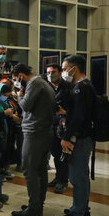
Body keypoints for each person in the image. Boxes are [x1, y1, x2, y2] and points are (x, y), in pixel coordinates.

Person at [54, 55, 96, 216]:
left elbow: (78, 117)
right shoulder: (87, 85)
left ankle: (77, 214)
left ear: (74, 69)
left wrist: (66, 137)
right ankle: (82, 208)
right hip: (86, 136)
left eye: (64, 69)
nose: (64, 72)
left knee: (77, 176)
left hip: (79, 138)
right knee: (82, 176)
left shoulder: (80, 88)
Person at [10, 63, 56, 216]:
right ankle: (37, 203)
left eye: (16, 79)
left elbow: (26, 106)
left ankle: (34, 208)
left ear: (21, 76)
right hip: (44, 131)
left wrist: (19, 95)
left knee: (29, 170)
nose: (16, 82)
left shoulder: (34, 83)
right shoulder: (43, 82)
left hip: (35, 132)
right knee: (40, 170)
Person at [46, 64, 72, 194]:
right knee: (55, 153)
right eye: (48, 72)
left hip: (65, 125)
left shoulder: (68, 87)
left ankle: (63, 180)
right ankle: (58, 177)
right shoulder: (47, 86)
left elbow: (76, 108)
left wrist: (65, 112)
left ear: (60, 72)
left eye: (54, 71)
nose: (51, 74)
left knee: (63, 154)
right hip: (52, 124)